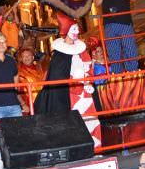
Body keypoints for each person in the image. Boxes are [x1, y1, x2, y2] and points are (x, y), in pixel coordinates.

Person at [33, 14, 101, 146]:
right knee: (75, 124)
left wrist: (87, 80)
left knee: (92, 120)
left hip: (85, 92)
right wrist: (74, 81)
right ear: (66, 31)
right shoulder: (59, 55)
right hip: (68, 96)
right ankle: (80, 149)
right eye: (73, 29)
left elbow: (88, 69)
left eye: (77, 29)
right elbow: (57, 75)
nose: (76, 32)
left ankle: (96, 148)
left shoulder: (82, 50)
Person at [94, 0, 137, 73]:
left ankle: (132, 72)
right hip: (109, 23)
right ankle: (117, 75)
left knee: (130, 48)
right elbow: (96, 3)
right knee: (113, 51)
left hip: (125, 22)